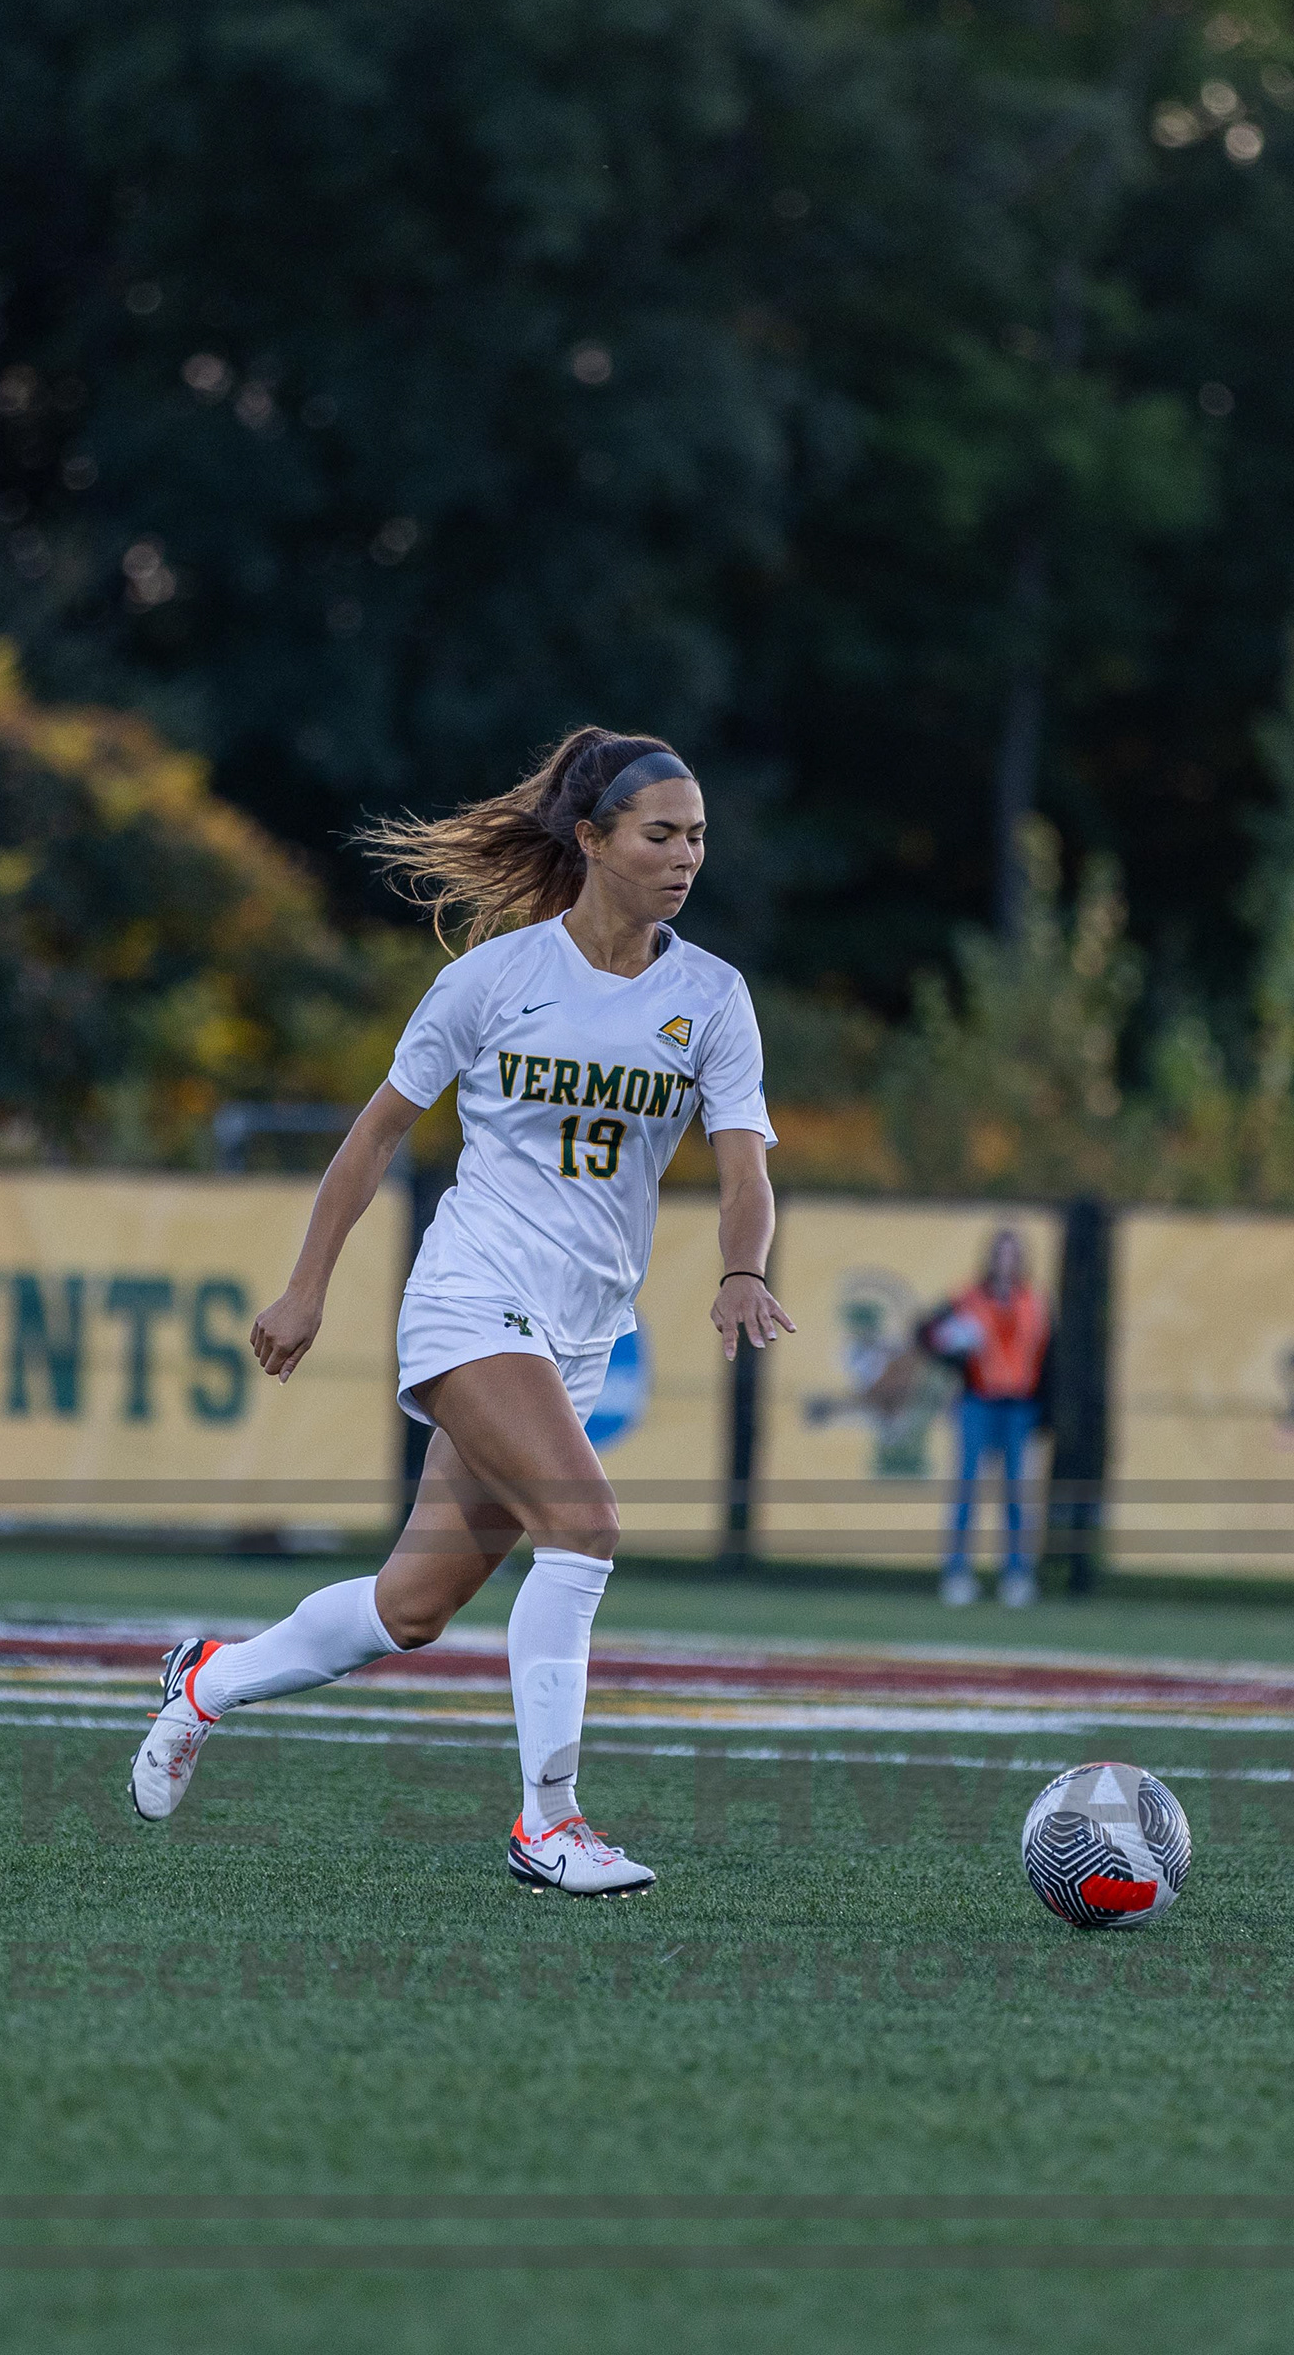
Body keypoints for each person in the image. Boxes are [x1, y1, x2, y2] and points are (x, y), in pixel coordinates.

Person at [125, 728, 793, 1894]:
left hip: (579, 1331)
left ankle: (205, 1682)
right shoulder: (492, 979)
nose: (687, 855)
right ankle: (550, 1824)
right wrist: (307, 1285)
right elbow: (376, 1135)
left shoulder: (712, 997)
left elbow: (745, 1169)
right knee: (584, 1527)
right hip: (472, 1296)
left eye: (697, 836)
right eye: (661, 834)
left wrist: (744, 1268)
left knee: (412, 1608)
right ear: (593, 840)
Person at [931, 1228, 1052, 1608]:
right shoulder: (967, 1297)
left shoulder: (1034, 1301)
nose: (1006, 1262)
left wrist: (1046, 1409)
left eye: (1012, 1255)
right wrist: (955, 1348)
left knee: (1016, 1492)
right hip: (977, 1401)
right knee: (967, 1488)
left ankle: (1017, 1575)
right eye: (1001, 1254)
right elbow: (930, 1334)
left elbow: (1048, 1356)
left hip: (1020, 1404)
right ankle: (957, 1573)